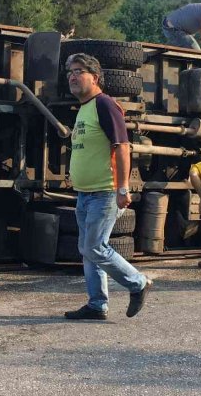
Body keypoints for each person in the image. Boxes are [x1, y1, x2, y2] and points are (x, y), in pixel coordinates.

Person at [62, 53, 152, 320]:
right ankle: (97, 304)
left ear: (95, 77)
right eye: (70, 72)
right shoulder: (84, 108)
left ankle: (138, 282)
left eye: (79, 71)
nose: (73, 76)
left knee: (94, 248)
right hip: (85, 194)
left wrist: (122, 188)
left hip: (105, 192)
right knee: (88, 251)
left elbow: (122, 147)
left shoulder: (104, 105)